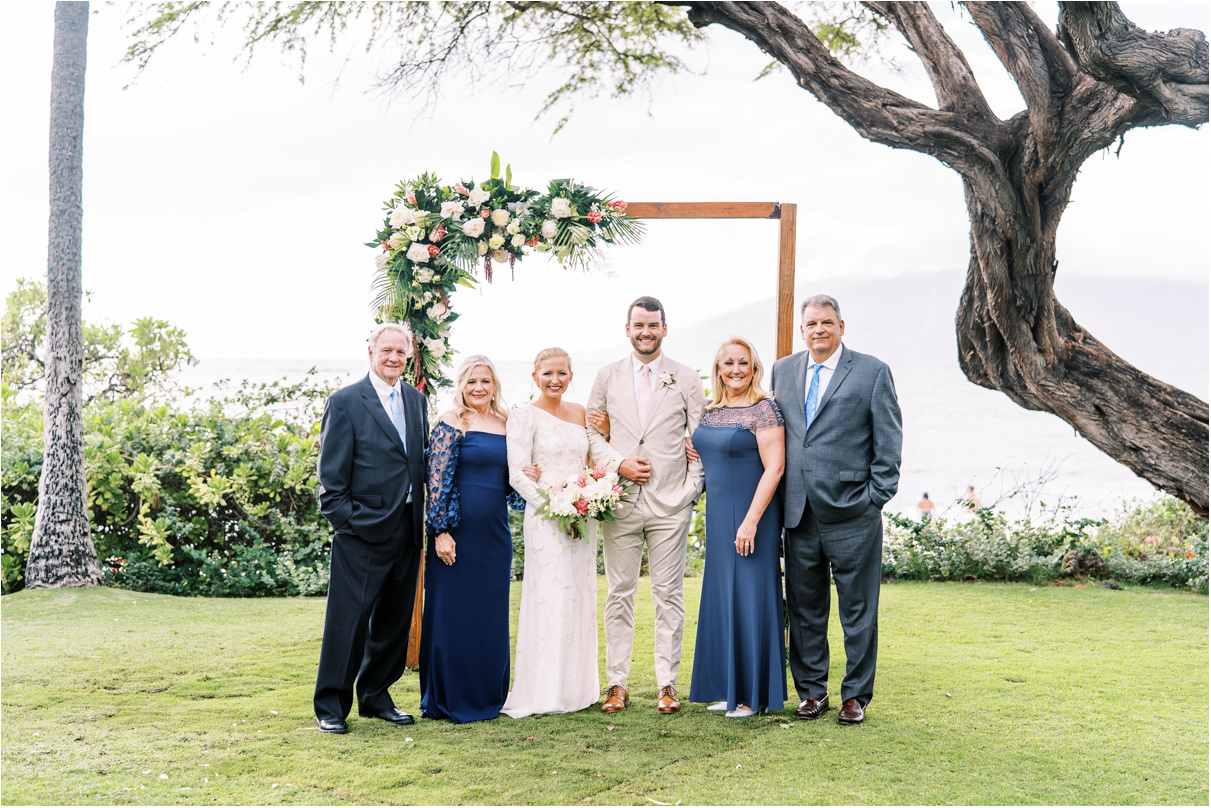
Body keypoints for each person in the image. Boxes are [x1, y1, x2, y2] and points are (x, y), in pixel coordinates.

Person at [770, 294, 902, 726]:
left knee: (858, 609)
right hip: (799, 514)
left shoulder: (871, 372)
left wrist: (874, 499)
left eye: (827, 322)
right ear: (802, 329)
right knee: (805, 609)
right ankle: (812, 691)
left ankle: (855, 696)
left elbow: (888, 443)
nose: (819, 329)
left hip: (853, 515)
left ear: (841, 327)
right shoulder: (783, 370)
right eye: (811, 324)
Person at [586, 296, 706, 715]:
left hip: (670, 504)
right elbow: (592, 433)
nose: (645, 332)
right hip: (619, 501)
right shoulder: (606, 376)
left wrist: (690, 491)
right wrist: (618, 463)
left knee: (668, 594)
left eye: (653, 325)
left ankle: (666, 683)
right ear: (627, 328)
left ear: (664, 328)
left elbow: (701, 439)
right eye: (639, 325)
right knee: (619, 593)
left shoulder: (686, 378)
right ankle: (616, 683)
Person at [314, 322, 429, 734]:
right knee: (347, 623)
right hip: (362, 531)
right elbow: (330, 483)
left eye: (402, 352)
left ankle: (376, 697)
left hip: (408, 529)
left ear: (409, 356)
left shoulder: (416, 401)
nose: (395, 358)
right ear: (371, 352)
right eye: (387, 351)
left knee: (394, 623)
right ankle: (330, 705)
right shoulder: (345, 402)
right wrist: (352, 522)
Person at [419, 355, 527, 723]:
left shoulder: (508, 423)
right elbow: (436, 482)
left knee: (489, 615)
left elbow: (514, 487)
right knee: (454, 615)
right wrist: (441, 531)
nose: (478, 388)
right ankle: (451, 696)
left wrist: (530, 474)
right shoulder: (451, 422)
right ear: (461, 385)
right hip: (457, 536)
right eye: (471, 381)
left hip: (495, 536)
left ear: (495, 385)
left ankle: (487, 694)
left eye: (485, 381)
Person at [688, 337, 787, 718]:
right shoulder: (712, 412)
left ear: (754, 368)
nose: (735, 370)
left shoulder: (765, 410)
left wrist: (750, 521)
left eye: (742, 363)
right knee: (723, 596)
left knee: (750, 597)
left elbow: (775, 467)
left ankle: (751, 695)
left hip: (752, 518)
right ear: (718, 368)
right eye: (728, 363)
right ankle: (729, 689)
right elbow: (709, 448)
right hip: (718, 518)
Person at [502, 347, 600, 717]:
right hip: (547, 518)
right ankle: (544, 691)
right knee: (551, 595)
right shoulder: (524, 416)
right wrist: (557, 508)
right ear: (535, 376)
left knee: (579, 593)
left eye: (562, 373)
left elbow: (592, 461)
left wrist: (589, 499)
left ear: (571, 375)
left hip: (583, 515)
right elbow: (516, 473)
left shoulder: (581, 413)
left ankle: (578, 689)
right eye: (547, 374)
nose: (555, 380)